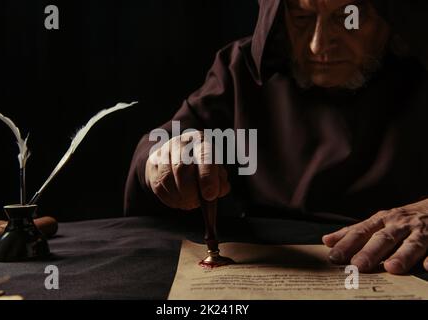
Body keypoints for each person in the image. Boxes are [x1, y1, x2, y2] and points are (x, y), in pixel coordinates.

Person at [125, 0, 428, 275]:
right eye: (301, 17)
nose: (317, 45)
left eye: (349, 18)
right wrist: (165, 157)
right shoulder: (241, 70)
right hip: (272, 265)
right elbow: (168, 140)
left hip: (397, 266)